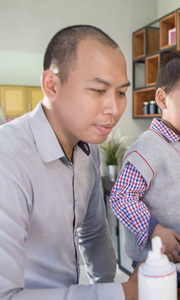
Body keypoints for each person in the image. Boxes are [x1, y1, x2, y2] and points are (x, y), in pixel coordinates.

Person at [0, 25, 139, 300]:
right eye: (99, 90)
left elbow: (93, 231)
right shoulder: (9, 160)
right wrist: (121, 294)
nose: (114, 108)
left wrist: (107, 287)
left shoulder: (88, 149)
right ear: (51, 86)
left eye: (121, 92)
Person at [109, 51, 180, 267]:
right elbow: (121, 197)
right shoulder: (150, 145)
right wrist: (155, 231)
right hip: (155, 263)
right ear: (162, 99)